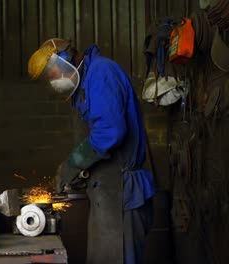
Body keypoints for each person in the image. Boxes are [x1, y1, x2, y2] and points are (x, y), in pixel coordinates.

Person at [28, 38, 156, 264]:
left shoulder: (101, 73)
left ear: (66, 59)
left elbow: (111, 131)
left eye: (52, 73)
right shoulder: (83, 86)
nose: (53, 81)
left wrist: (74, 162)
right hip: (107, 193)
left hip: (123, 193)